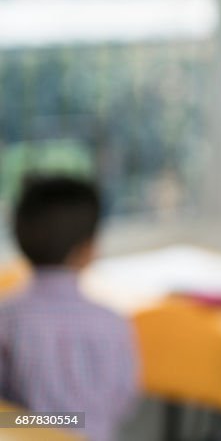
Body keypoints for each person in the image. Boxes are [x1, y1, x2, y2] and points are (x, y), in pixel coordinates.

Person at [0, 175, 138, 441]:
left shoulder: (7, 316)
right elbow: (123, 398)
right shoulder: (113, 322)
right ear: (88, 249)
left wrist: (41, 422)